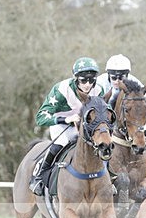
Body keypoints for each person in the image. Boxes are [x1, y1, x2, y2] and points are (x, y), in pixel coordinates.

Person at [29, 57, 107, 196]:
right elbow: (40, 117)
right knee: (62, 142)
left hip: (84, 126)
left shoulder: (99, 90)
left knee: (100, 143)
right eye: (83, 80)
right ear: (76, 78)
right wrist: (66, 119)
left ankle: (107, 178)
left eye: (91, 80)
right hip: (62, 124)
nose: (88, 84)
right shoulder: (61, 89)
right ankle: (39, 176)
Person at [96, 54, 146, 119]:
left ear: (127, 76)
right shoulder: (99, 82)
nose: (117, 81)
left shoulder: (136, 83)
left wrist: (133, 111)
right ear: (108, 74)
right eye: (113, 78)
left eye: (121, 78)